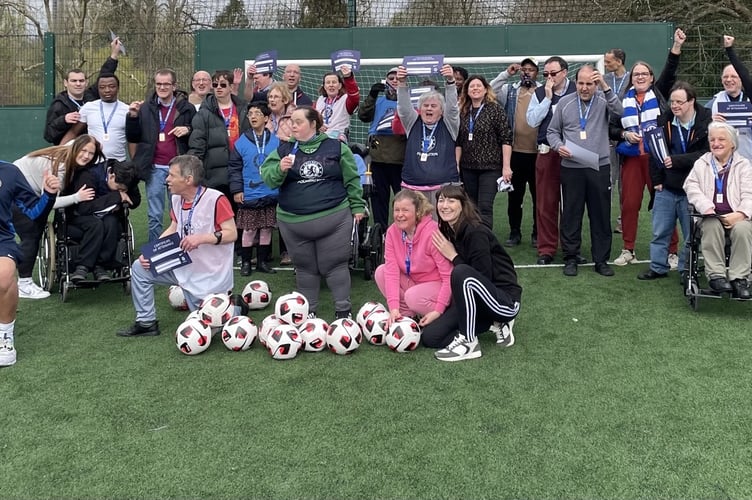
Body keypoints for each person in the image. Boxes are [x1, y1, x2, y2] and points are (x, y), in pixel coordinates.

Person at [260, 106, 365, 319]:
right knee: (305, 268)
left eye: (298, 121)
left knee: (335, 264)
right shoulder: (282, 150)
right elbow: (268, 179)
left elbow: (352, 179)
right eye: (291, 122)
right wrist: (279, 169)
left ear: (313, 124)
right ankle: (309, 313)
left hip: (334, 219)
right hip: (293, 222)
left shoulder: (336, 147)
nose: (293, 125)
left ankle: (343, 311)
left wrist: (357, 206)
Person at [117, 155, 237, 337]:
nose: (167, 179)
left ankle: (236, 307)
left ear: (188, 180)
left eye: (172, 175)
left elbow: (232, 233)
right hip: (183, 264)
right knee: (140, 268)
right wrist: (151, 252)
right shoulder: (176, 199)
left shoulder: (216, 199)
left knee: (210, 327)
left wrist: (201, 238)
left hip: (209, 274)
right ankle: (146, 322)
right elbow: (174, 227)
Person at [610, 28, 686, 267]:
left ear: (652, 78)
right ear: (631, 79)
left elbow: (671, 71)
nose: (640, 77)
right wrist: (624, 134)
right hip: (632, 159)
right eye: (636, 75)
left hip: (658, 159)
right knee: (630, 204)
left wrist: (676, 47)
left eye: (645, 74)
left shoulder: (660, 94)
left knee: (664, 204)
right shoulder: (623, 99)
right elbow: (612, 129)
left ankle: (672, 251)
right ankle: (628, 249)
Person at [424, 184, 522, 362]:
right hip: (477, 299)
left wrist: (453, 256)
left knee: (461, 271)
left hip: (503, 301)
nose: (444, 205)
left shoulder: (475, 231)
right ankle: (489, 324)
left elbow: (480, 277)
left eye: (451, 201)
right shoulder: (450, 229)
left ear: (463, 204)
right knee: (431, 337)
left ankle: (470, 342)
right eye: (441, 200)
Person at [547, 64, 623, 277]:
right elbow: (552, 131)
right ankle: (571, 258)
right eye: (581, 83)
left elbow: (620, 111)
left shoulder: (603, 101)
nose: (584, 88)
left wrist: (606, 88)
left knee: (600, 215)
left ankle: (601, 260)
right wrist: (557, 146)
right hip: (571, 168)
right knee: (571, 214)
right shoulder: (564, 103)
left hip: (599, 166)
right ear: (576, 82)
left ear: (596, 84)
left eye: (590, 83)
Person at [637, 81, 711, 281]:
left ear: (691, 102)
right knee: (660, 231)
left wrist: (677, 161)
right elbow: (654, 152)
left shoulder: (706, 122)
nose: (675, 105)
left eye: (679, 102)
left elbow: (707, 154)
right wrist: (657, 180)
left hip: (693, 189)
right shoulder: (664, 120)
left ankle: (686, 270)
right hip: (667, 187)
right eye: (672, 102)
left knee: (690, 235)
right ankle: (658, 267)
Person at [12, 136, 100, 299]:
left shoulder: (68, 149)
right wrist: (77, 197)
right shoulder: (60, 167)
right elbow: (51, 202)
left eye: (90, 153)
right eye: (83, 151)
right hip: (16, 191)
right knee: (31, 232)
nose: (86, 156)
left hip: (17, 183)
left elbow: (84, 144)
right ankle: (24, 284)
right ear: (76, 148)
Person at [0, 161, 60, 366]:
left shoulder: (9, 172)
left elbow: (33, 213)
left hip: (1, 240)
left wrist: (49, 194)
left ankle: (4, 337)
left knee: (5, 276)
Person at [126, 69, 196, 242]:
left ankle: (182, 248)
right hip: (155, 168)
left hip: (178, 169)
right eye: (159, 84)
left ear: (174, 86)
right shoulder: (146, 108)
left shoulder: (187, 108)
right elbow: (133, 136)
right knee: (154, 214)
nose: (162, 87)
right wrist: (133, 117)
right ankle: (156, 251)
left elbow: (197, 132)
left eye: (166, 84)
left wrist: (188, 129)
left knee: (180, 213)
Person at [684, 122, 752, 299]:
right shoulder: (702, 163)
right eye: (712, 139)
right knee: (712, 225)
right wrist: (705, 205)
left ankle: (739, 278)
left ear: (732, 143)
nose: (716, 143)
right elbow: (690, 186)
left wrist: (740, 214)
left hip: (737, 215)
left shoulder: (744, 165)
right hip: (710, 215)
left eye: (721, 139)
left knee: (743, 229)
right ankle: (717, 276)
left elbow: (749, 194)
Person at [374, 190, 452, 326]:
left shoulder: (433, 233)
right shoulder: (392, 232)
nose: (400, 215)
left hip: (438, 286)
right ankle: (407, 316)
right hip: (414, 283)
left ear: (417, 212)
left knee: (412, 296)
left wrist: (439, 308)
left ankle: (444, 315)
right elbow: (391, 272)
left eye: (405, 210)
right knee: (381, 272)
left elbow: (448, 276)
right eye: (396, 210)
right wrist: (393, 308)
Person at [526, 56, 576, 265]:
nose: (549, 78)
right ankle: (546, 249)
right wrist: (547, 98)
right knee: (546, 203)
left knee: (572, 203)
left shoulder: (577, 89)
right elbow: (532, 121)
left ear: (564, 72)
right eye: (545, 74)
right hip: (547, 153)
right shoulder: (539, 92)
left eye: (553, 74)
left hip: (573, 154)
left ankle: (571, 248)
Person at [492, 57, 542, 247]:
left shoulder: (545, 90)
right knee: (515, 197)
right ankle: (515, 232)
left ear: (537, 72)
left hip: (538, 153)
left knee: (539, 197)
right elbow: (491, 90)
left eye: (531, 69)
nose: (527, 72)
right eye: (524, 69)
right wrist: (507, 74)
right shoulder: (510, 90)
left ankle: (538, 233)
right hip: (515, 154)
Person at [65, 158, 141, 283]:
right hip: (78, 216)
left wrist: (124, 196)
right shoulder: (89, 176)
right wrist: (116, 197)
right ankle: (82, 266)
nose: (121, 191)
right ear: (111, 176)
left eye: (123, 190)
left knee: (111, 223)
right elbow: (84, 208)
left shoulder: (127, 177)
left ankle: (101, 265)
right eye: (119, 188)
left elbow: (135, 201)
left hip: (107, 218)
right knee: (97, 224)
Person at [228, 102, 280, 276]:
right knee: (249, 229)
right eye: (250, 114)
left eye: (257, 113)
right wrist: (237, 190)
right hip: (249, 194)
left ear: (266, 118)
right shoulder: (241, 142)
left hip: (270, 192)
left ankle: (263, 262)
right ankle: (245, 262)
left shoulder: (276, 141)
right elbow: (234, 169)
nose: (253, 116)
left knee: (266, 228)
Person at [396, 64, 460, 204]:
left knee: (443, 226)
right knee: (414, 225)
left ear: (441, 110)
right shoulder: (412, 122)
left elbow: (453, 108)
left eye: (433, 106)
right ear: (419, 108)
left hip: (444, 188)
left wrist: (450, 81)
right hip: (412, 188)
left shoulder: (449, 124)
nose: (429, 108)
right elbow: (403, 108)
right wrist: (402, 83)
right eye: (425, 105)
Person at [456, 74, 513, 229]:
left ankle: (485, 241)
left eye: (478, 86)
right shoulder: (462, 111)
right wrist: (457, 165)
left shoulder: (495, 109)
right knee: (470, 207)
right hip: (468, 168)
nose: (475, 89)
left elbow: (506, 139)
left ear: (485, 89)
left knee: (485, 206)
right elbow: (459, 141)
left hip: (490, 168)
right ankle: (472, 239)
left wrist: (506, 167)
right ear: (466, 91)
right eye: (471, 86)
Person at [43, 38, 123, 145]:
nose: (78, 84)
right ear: (65, 83)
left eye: (81, 80)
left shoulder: (90, 96)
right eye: (73, 81)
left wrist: (114, 54)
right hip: (68, 152)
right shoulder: (59, 104)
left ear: (86, 82)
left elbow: (105, 74)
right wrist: (64, 120)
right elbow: (48, 135)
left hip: (91, 151)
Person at [188, 70, 250, 200]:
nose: (218, 88)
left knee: (240, 217)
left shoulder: (244, 109)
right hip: (214, 175)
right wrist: (192, 169)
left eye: (223, 85)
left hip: (240, 172)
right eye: (215, 85)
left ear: (232, 87)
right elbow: (197, 144)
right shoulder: (204, 113)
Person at [358, 67, 406, 229]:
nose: (394, 80)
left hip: (400, 156)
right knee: (378, 198)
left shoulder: (407, 100)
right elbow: (363, 116)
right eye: (390, 78)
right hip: (377, 156)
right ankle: (381, 233)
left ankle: (404, 232)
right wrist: (371, 96)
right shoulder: (378, 100)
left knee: (403, 198)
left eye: (397, 78)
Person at [60, 74, 132, 161]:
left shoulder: (127, 110)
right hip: (92, 162)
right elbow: (73, 132)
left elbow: (132, 140)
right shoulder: (88, 107)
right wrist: (58, 152)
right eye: (102, 87)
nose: (107, 90)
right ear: (98, 89)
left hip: (118, 162)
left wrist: (135, 162)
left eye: (112, 86)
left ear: (118, 88)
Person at [707, 35, 752, 161]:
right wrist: (710, 121)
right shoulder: (713, 103)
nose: (729, 80)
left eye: (733, 76)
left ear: (741, 80)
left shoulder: (749, 100)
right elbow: (699, 127)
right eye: (725, 77)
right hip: (722, 161)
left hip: (748, 158)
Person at [604, 48, 630, 234]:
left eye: (609, 62)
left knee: (625, 182)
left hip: (627, 135)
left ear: (619, 61)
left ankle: (623, 220)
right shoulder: (604, 80)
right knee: (608, 180)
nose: (606, 65)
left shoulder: (631, 79)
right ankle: (605, 217)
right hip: (607, 135)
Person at [315, 66, 360, 140]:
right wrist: (317, 125)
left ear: (340, 86)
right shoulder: (320, 100)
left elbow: (354, 96)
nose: (331, 85)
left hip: (338, 139)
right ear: (324, 86)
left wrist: (348, 77)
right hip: (320, 138)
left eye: (334, 82)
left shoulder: (345, 99)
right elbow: (310, 118)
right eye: (328, 82)